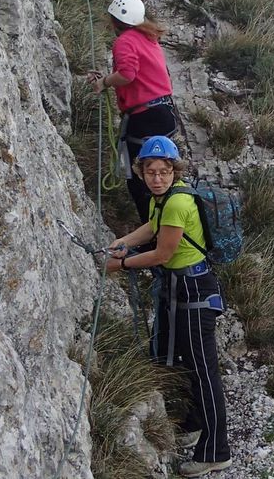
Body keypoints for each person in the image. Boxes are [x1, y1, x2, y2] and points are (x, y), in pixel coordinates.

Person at [106, 136, 232, 478]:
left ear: (174, 171)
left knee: (204, 370)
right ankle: (194, 423)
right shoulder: (162, 199)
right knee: (191, 362)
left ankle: (216, 451)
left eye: (163, 172)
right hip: (183, 286)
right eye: (151, 172)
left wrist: (123, 264)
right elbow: (153, 227)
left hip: (194, 290)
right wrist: (123, 242)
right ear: (143, 173)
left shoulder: (176, 203)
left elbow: (163, 253)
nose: (157, 178)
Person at [87, 0, 177, 223]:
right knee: (161, 174)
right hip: (164, 113)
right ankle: (170, 225)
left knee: (141, 180)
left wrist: (104, 83)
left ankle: (153, 234)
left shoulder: (125, 40)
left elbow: (128, 74)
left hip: (145, 117)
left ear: (115, 20)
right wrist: (108, 77)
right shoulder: (148, 36)